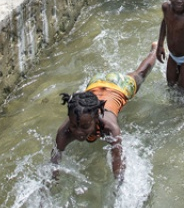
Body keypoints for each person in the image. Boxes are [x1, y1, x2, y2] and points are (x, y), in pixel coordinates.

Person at [51, 42, 158, 180]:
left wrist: (119, 187)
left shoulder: (110, 128)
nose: (77, 132)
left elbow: (118, 164)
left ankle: (155, 50)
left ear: (97, 117)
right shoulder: (64, 132)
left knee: (141, 74)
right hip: (94, 84)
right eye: (74, 126)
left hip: (119, 86)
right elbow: (53, 164)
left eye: (84, 126)